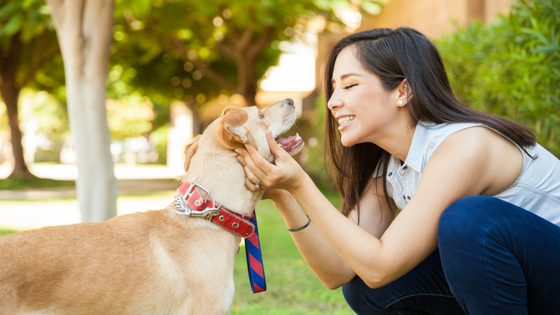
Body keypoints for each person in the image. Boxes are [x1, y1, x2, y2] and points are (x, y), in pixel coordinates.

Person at [234, 27, 560, 314]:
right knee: (367, 288)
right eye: (333, 88)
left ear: (402, 91)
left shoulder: (464, 146)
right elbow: (338, 270)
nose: (332, 101)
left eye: (349, 86)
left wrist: (301, 183)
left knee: (466, 220)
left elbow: (380, 265)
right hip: (522, 284)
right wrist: (284, 193)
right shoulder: (391, 166)